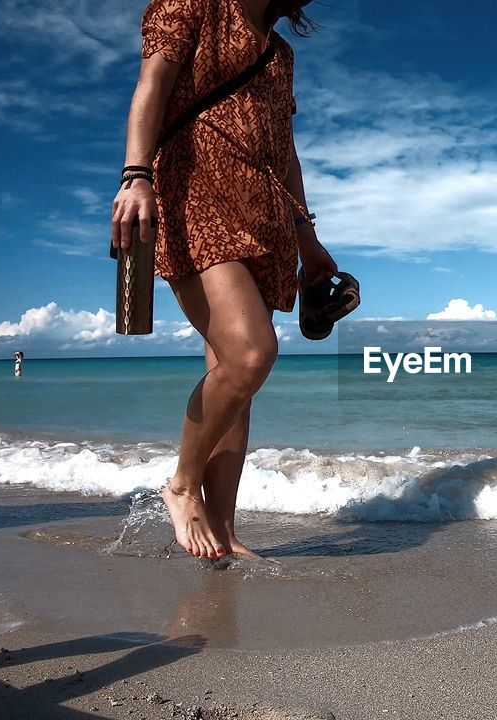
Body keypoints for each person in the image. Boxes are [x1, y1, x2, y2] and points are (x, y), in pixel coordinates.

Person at [111, 0, 337, 560]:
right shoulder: (193, 5)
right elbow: (152, 85)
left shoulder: (280, 55)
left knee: (232, 377)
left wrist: (306, 238)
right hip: (194, 193)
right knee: (251, 353)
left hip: (263, 215)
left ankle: (225, 530)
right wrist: (136, 176)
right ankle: (182, 485)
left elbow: (285, 152)